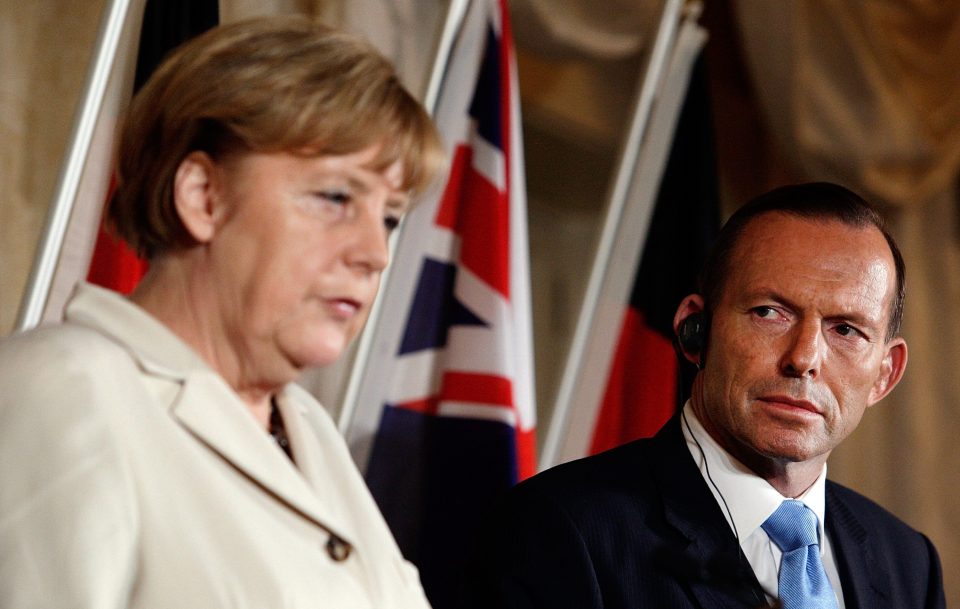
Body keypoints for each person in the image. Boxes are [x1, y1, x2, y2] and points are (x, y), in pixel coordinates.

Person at [0, 16, 444, 609]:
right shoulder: (60, 393)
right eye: (336, 197)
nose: (375, 253)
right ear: (203, 197)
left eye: (389, 216)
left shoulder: (308, 430)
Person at [462, 183, 946, 609]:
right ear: (694, 330)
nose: (804, 358)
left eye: (846, 329)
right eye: (769, 312)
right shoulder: (561, 530)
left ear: (885, 373)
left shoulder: (908, 563)